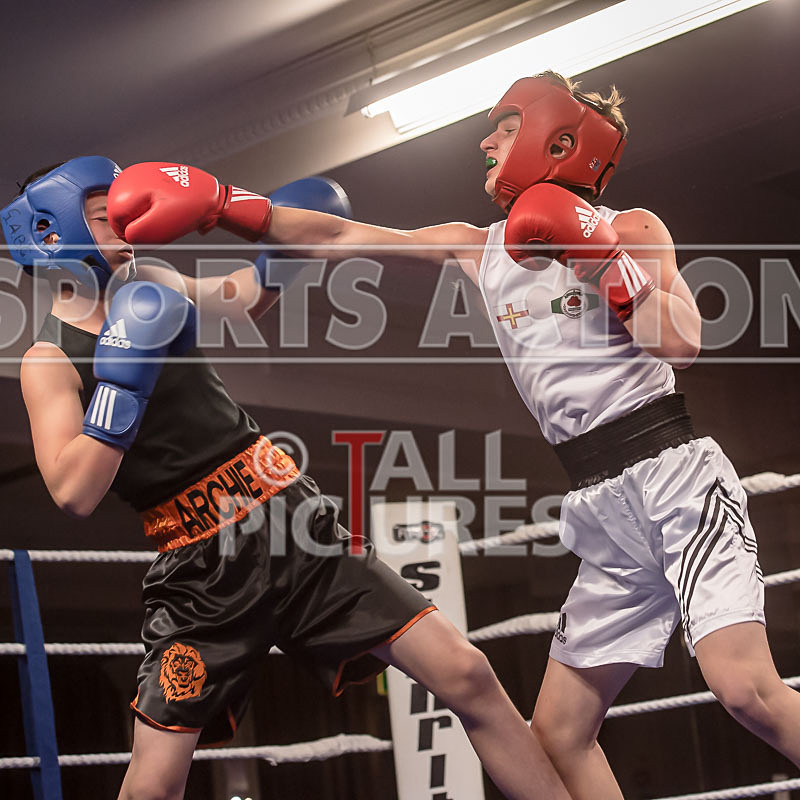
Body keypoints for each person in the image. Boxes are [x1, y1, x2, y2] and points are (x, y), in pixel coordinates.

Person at [108, 70, 800, 799]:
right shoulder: (480, 247)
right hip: (602, 505)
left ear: (557, 140)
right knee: (560, 736)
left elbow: (682, 340)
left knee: (745, 690)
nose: (485, 140)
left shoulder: (634, 228)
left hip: (675, 475)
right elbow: (343, 234)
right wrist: (224, 204)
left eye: (503, 126)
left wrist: (600, 260)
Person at [3, 157, 571, 800]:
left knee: (467, 674)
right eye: (107, 216)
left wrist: (280, 236)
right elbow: (73, 491)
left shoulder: (153, 280)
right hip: (200, 568)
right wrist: (121, 382)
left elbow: (251, 297)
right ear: (51, 235)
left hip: (292, 523)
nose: (129, 226)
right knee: (153, 786)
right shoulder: (47, 360)